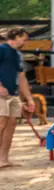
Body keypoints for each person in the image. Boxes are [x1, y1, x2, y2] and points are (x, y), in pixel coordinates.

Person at [0, 27, 26, 170]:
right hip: (0, 93)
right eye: (24, 38)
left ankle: (3, 159)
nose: (25, 42)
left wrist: (29, 99)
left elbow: (21, 77)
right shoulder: (2, 49)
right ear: (16, 37)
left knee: (11, 125)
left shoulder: (19, 55)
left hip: (13, 94)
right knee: (1, 122)